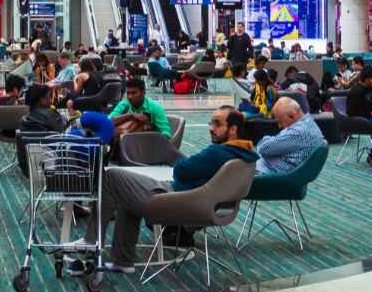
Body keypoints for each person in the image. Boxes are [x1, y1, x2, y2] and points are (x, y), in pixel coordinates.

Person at [77, 106, 258, 273]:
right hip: (201, 203)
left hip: (175, 199)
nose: (211, 127)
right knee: (125, 190)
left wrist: (186, 165)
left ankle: (91, 240)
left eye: (217, 123)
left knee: (112, 177)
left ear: (233, 129)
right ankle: (122, 261)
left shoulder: (218, 152)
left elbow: (181, 170)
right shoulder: (246, 155)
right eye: (211, 122)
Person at [254, 97, 325, 174]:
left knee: (242, 167)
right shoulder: (309, 123)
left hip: (273, 173)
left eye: (280, 121)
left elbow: (263, 149)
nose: (279, 126)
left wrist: (266, 139)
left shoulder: (297, 132)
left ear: (291, 115)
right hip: (287, 171)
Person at [107, 77, 172, 141]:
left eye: (134, 93)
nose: (130, 97)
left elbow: (166, 134)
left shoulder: (155, 107)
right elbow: (108, 122)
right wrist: (130, 115)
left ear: (143, 92)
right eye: (128, 93)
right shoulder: (124, 104)